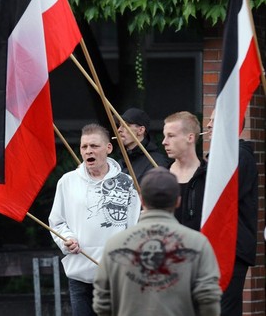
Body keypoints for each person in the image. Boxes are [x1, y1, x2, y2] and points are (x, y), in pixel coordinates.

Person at [92, 167, 222, 316]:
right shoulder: (198, 244)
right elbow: (209, 300)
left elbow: (102, 303)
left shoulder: (114, 245)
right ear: (178, 201)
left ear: (141, 200)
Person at [49, 123, 141, 316]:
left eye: (94, 146)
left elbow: (137, 225)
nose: (88, 151)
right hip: (80, 274)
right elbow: (57, 222)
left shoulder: (128, 183)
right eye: (84, 147)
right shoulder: (67, 181)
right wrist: (66, 240)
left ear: (108, 148)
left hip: (117, 276)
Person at [206, 110, 259, 316]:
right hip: (222, 245)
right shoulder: (224, 155)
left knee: (224, 309)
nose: (208, 125)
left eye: (214, 121)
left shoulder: (238, 156)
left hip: (232, 246)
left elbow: (223, 198)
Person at [162, 111, 206, 231]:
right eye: (165, 136)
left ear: (190, 137)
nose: (164, 142)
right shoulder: (161, 177)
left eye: (171, 136)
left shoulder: (209, 177)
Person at [116, 108, 169, 182]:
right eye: (119, 125)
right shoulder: (119, 164)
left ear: (140, 130)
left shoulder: (156, 163)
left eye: (126, 125)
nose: (119, 130)